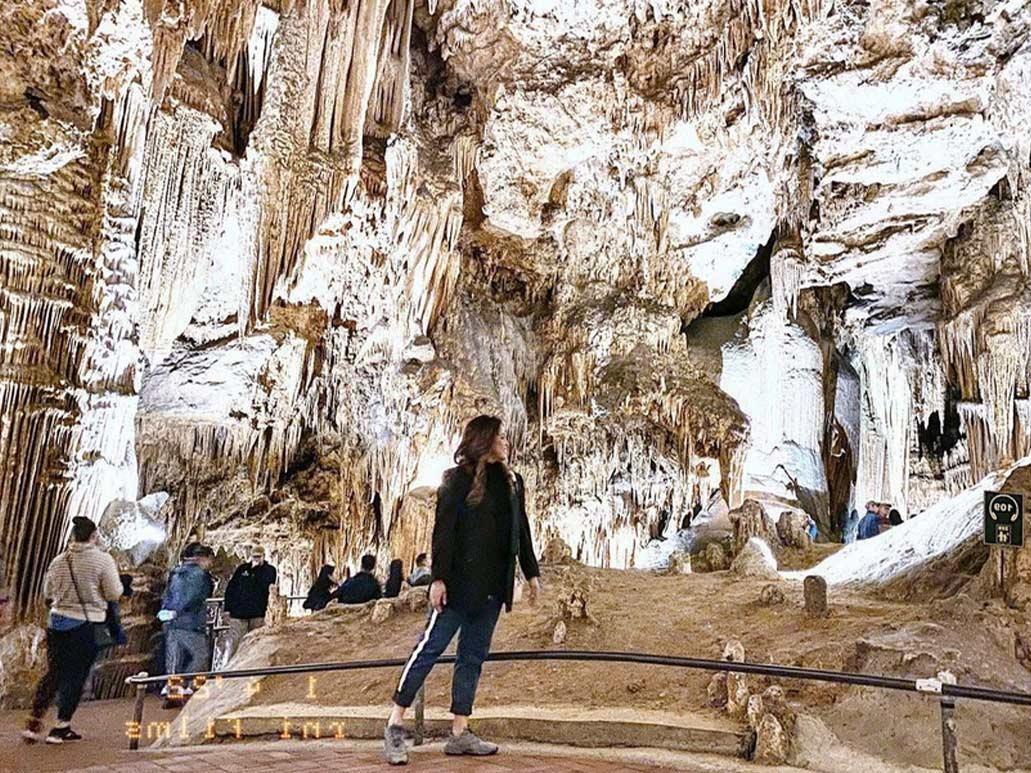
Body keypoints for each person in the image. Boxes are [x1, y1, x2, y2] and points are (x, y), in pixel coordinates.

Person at [383, 414, 541, 765]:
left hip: (491, 590)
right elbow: (444, 533)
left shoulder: (514, 482)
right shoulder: (455, 481)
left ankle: (460, 732)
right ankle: (395, 724)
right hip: (455, 587)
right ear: (484, 440)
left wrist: (531, 574)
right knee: (430, 649)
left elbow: (522, 530)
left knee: (472, 657)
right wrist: (438, 579)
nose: (507, 442)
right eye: (501, 437)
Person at [23, 516, 122, 744]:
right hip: (85, 625)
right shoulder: (102, 560)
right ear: (94, 536)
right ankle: (61, 726)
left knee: (55, 672)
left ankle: (34, 720)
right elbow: (113, 593)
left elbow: (48, 592)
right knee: (75, 675)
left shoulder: (59, 560)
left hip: (57, 623)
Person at [158, 542, 214, 705]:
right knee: (201, 655)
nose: (210, 564)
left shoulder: (175, 572)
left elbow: (167, 595)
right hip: (191, 623)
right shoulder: (200, 575)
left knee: (174, 660)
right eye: (209, 560)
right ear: (201, 558)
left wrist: (167, 612)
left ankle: (172, 692)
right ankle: (180, 686)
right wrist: (179, 612)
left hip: (171, 623)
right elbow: (194, 597)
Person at [223, 546, 277, 661]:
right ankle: (228, 669)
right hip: (238, 613)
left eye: (258, 556)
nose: (256, 559)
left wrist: (255, 570)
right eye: (254, 557)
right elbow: (231, 588)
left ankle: (253, 667)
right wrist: (227, 609)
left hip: (258, 613)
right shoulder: (242, 569)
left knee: (256, 642)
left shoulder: (269, 570)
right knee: (234, 642)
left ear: (263, 556)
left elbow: (266, 585)